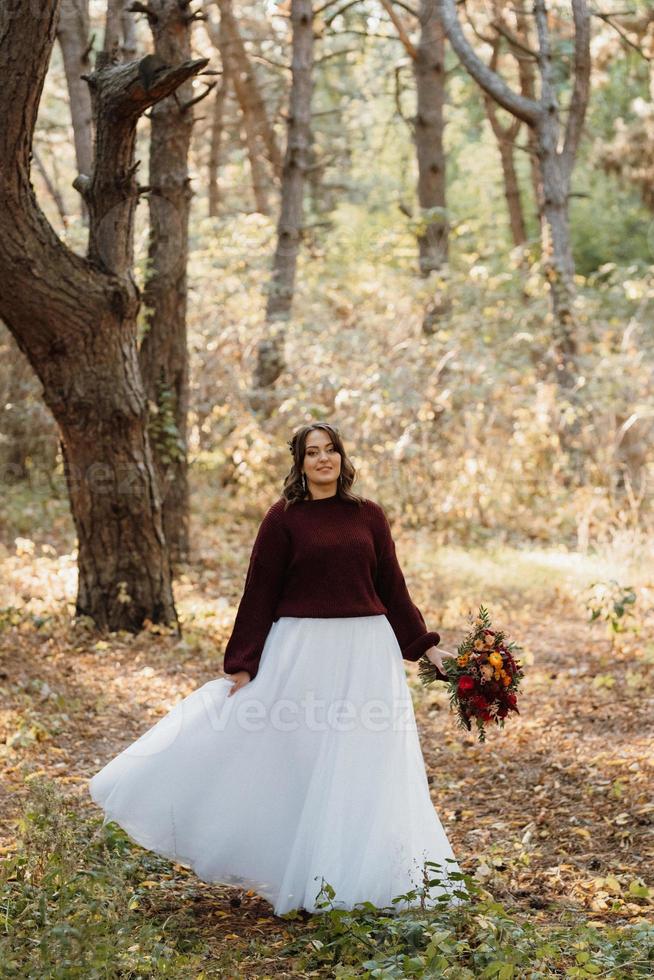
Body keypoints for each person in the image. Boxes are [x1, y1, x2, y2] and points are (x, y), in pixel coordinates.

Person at [88, 422, 466, 917]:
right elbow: (259, 593)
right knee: (301, 757)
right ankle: (307, 873)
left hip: (366, 653)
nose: (324, 459)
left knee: (364, 761)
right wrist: (242, 665)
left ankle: (366, 877)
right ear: (300, 462)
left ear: (342, 458)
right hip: (303, 650)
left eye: (331, 450)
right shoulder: (283, 519)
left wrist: (426, 648)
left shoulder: (368, 516)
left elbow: (392, 587)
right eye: (313, 452)